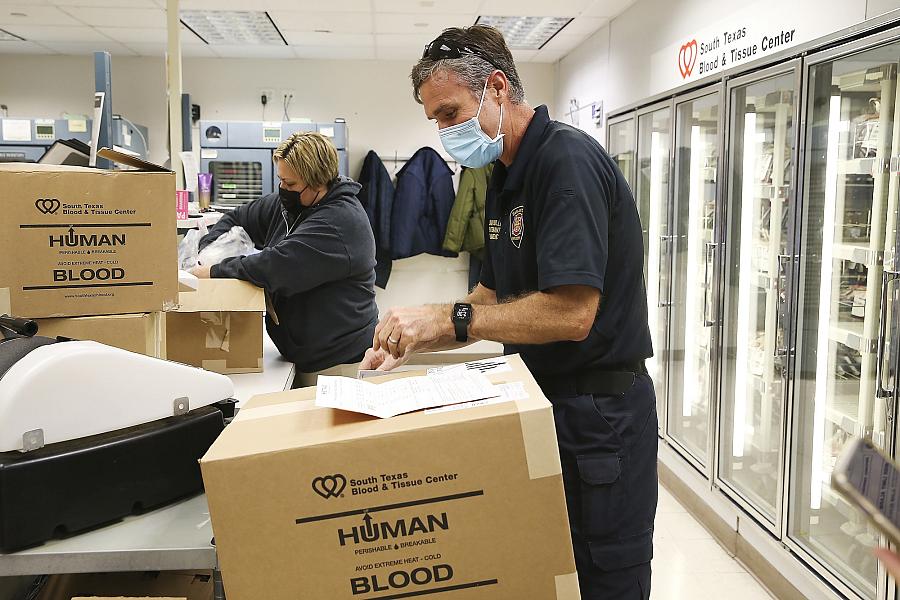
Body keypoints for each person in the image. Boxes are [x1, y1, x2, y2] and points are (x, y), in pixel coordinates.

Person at [360, 25, 657, 599]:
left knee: (599, 577)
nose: (446, 134)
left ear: (495, 88)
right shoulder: (501, 175)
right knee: (544, 567)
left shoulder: (564, 162)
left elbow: (572, 314)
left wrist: (450, 322)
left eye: (450, 114)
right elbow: (491, 296)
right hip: (544, 404)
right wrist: (417, 334)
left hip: (599, 418)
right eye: (436, 122)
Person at [192, 132, 378, 386]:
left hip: (338, 362)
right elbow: (237, 218)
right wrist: (209, 252)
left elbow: (275, 267)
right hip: (300, 354)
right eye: (281, 181)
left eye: (290, 185)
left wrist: (214, 272)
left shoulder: (340, 223)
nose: (283, 190)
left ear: (318, 182)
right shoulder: (292, 205)